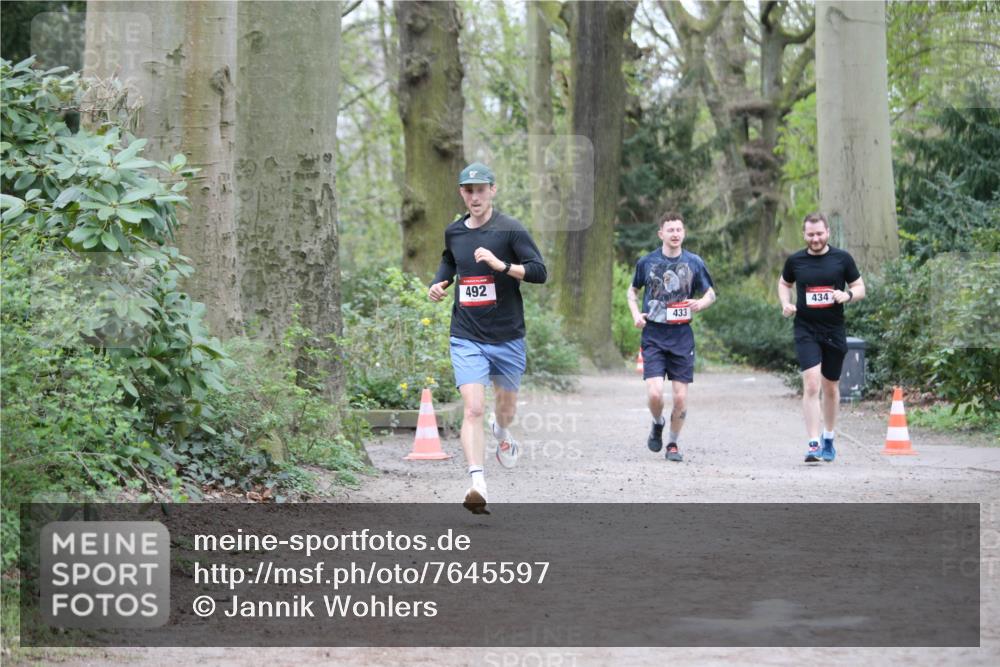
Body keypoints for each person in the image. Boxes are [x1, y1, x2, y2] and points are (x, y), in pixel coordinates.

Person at [428, 162, 547, 514]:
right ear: (462, 193)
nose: (475, 196)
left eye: (481, 189)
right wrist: (441, 282)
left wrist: (502, 266)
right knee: (474, 408)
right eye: (468, 190)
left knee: (504, 411)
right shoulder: (454, 231)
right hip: (466, 334)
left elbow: (540, 272)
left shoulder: (510, 230)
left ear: (493, 190)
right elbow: (450, 261)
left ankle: (501, 430)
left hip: (507, 335)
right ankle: (477, 483)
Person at [627, 213, 715, 462]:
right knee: (655, 394)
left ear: (684, 233)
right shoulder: (647, 262)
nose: (675, 234)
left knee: (680, 397)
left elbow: (711, 294)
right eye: (670, 230)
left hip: (682, 336)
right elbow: (632, 292)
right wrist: (636, 314)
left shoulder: (694, 262)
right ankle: (657, 423)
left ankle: (673, 445)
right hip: (653, 333)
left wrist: (700, 303)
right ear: (661, 234)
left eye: (679, 229)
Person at [778, 212, 865, 463]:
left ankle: (828, 437)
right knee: (812, 384)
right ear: (804, 235)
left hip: (834, 330)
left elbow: (860, 287)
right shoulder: (795, 261)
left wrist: (847, 296)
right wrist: (786, 303)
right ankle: (813, 443)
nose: (815, 239)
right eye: (810, 234)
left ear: (827, 232)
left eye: (819, 234)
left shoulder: (842, 259)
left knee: (831, 387)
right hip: (806, 329)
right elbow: (784, 283)